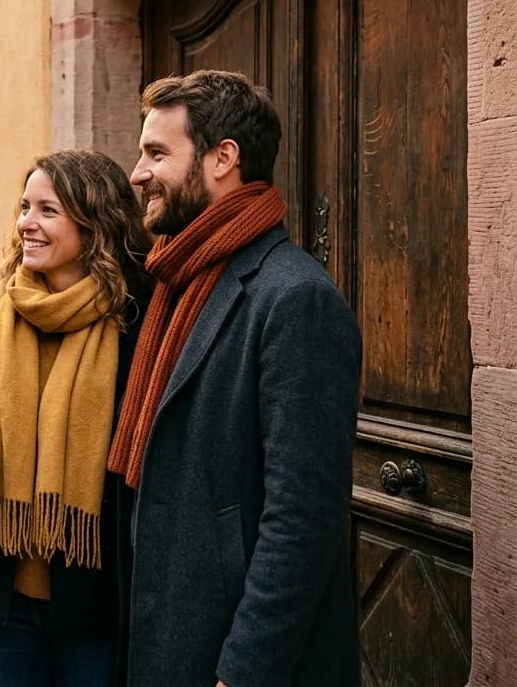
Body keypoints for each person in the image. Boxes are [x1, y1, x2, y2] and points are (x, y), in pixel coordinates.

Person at [107, 70, 361, 686]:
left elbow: (302, 519)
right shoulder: (175, 282)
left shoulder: (294, 296)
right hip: (170, 628)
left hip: (232, 654)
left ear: (224, 158)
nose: (138, 173)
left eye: (157, 153)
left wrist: (244, 671)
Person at [0, 150, 152, 686]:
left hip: (96, 590)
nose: (26, 222)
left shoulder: (136, 321)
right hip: (1, 588)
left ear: (94, 222)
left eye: (48, 210)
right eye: (25, 207)